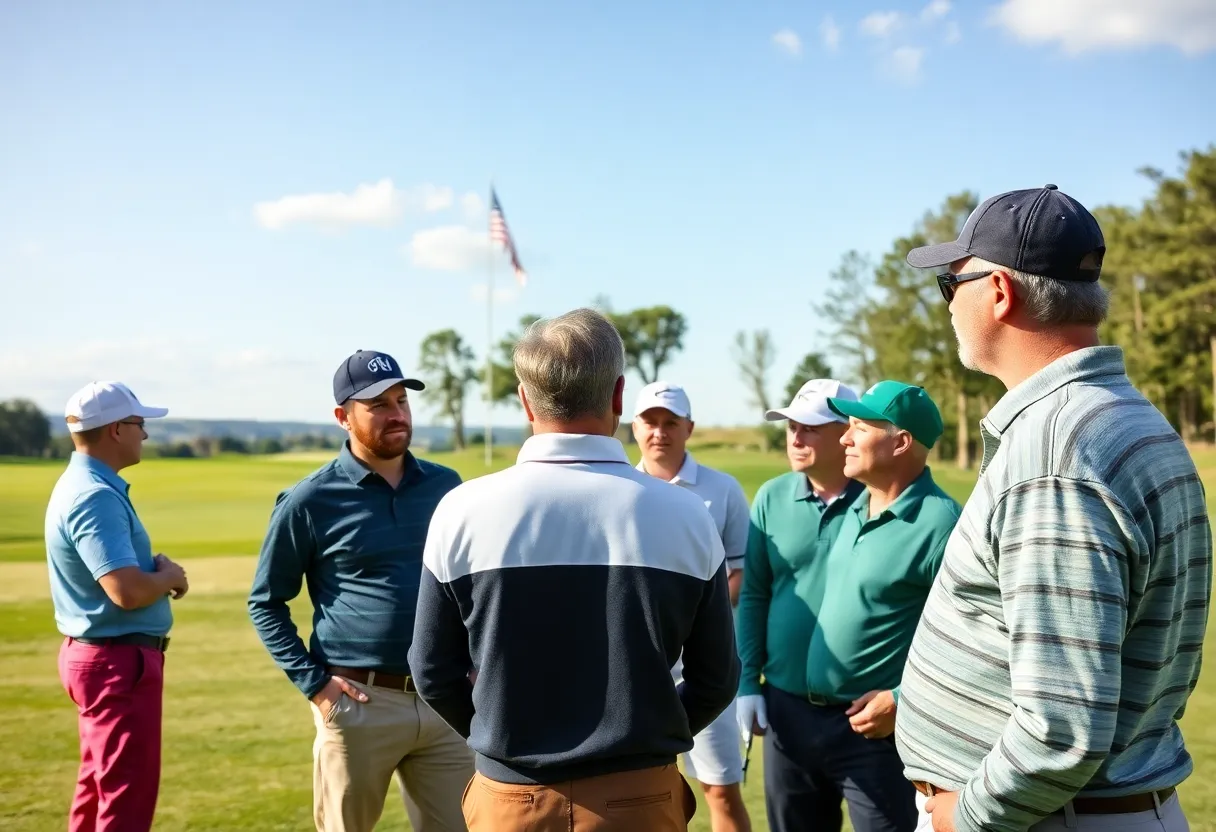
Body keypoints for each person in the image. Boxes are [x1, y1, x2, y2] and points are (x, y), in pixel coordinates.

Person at [897, 184, 1212, 832]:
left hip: (1042, 818)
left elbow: (1059, 729)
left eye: (951, 285)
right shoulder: (1120, 419)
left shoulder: (1055, 453)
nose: (949, 306)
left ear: (1000, 292)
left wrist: (966, 816)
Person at [409, 307, 740, 832]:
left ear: (524, 400)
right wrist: (648, 735)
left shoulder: (461, 510)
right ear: (618, 396)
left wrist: (499, 737)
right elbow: (717, 678)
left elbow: (431, 668)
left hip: (510, 798)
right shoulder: (687, 515)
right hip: (641, 796)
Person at [247, 349, 473, 832]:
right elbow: (266, 602)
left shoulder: (446, 486)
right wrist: (318, 687)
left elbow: (470, 586)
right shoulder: (309, 500)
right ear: (342, 418)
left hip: (445, 701)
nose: (397, 414)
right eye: (379, 405)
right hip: (358, 704)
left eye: (401, 401)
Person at [766, 380, 959, 832]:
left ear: (901, 442)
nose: (846, 438)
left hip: (875, 736)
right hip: (797, 719)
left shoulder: (943, 525)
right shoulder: (856, 509)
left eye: (858, 428)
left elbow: (976, 646)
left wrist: (902, 700)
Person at [46, 381, 189, 832]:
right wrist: (169, 577)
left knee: (97, 791)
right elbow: (124, 591)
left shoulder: (82, 485)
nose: (144, 434)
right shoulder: (95, 495)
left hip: (103, 658)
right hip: (117, 663)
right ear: (114, 430)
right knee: (125, 799)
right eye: (139, 424)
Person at [734, 378, 865, 830]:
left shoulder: (880, 498)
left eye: (809, 427)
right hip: (786, 708)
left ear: (846, 431)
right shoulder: (771, 496)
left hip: (868, 714)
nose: (795, 436)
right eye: (791, 425)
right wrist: (748, 682)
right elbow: (753, 594)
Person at [632, 380, 753, 832]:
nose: (659, 432)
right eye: (650, 422)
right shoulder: (618, 486)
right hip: (639, 667)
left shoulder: (723, 490)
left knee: (720, 791)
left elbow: (738, 574)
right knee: (639, 793)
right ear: (634, 428)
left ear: (689, 428)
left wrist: (689, 625)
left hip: (705, 667)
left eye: (670, 423)